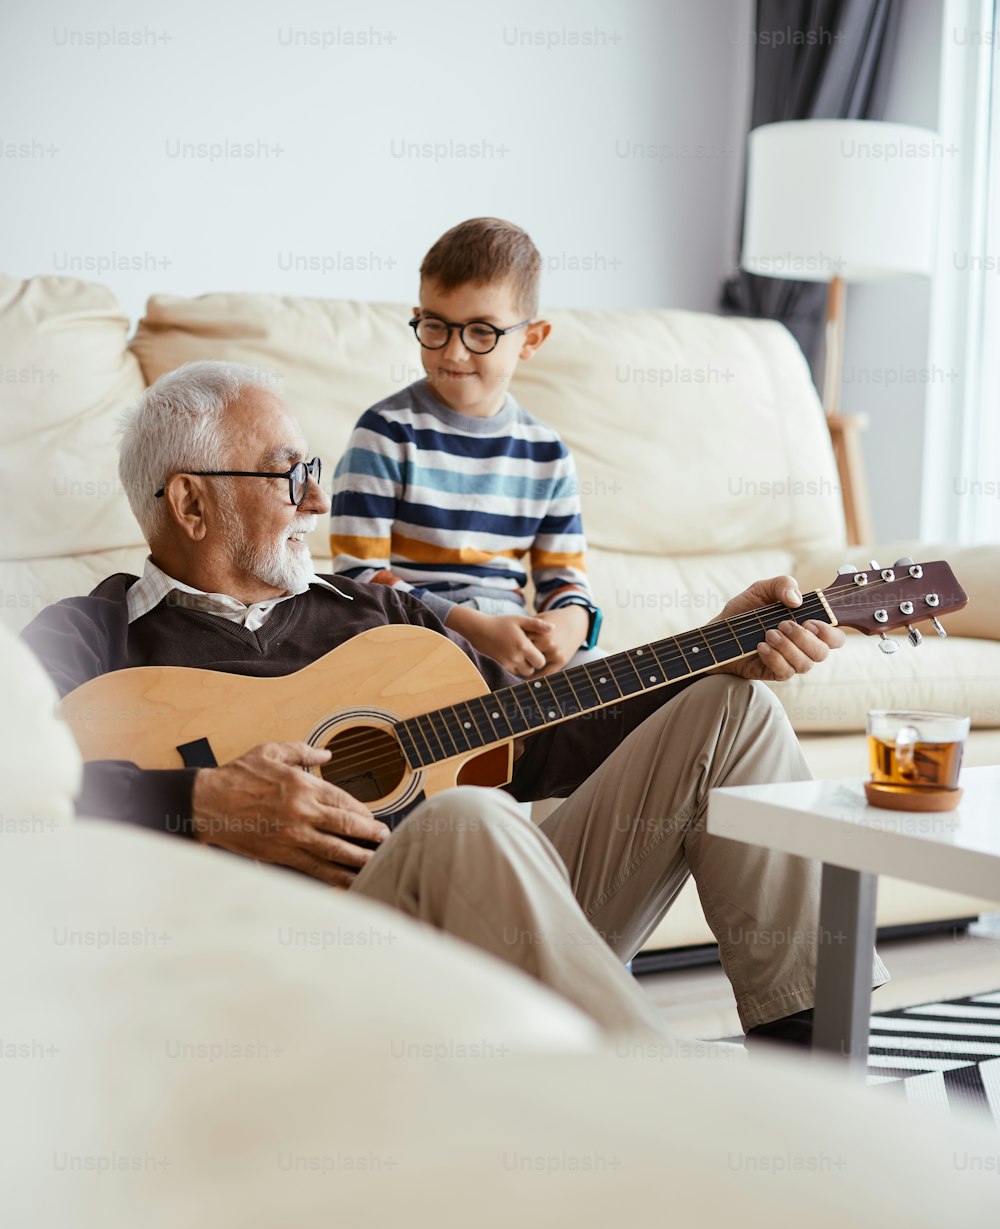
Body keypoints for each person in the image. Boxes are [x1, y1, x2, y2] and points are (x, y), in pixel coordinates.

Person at [22, 361, 887, 1042]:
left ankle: (819, 1070)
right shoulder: (87, 641)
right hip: (306, 973)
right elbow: (17, 805)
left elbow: (548, 732)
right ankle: (667, 1116)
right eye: (291, 475)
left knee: (731, 713)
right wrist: (203, 801)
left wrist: (716, 648)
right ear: (191, 502)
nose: (319, 500)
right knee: (466, 820)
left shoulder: (378, 610)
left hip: (499, 929)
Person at [329, 218, 601, 679]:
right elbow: (357, 580)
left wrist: (571, 621)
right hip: (416, 632)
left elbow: (565, 580)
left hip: (514, 639)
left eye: (481, 332)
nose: (453, 353)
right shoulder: (384, 434)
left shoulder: (547, 456)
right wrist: (472, 627)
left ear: (530, 340)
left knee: (599, 679)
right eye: (436, 326)